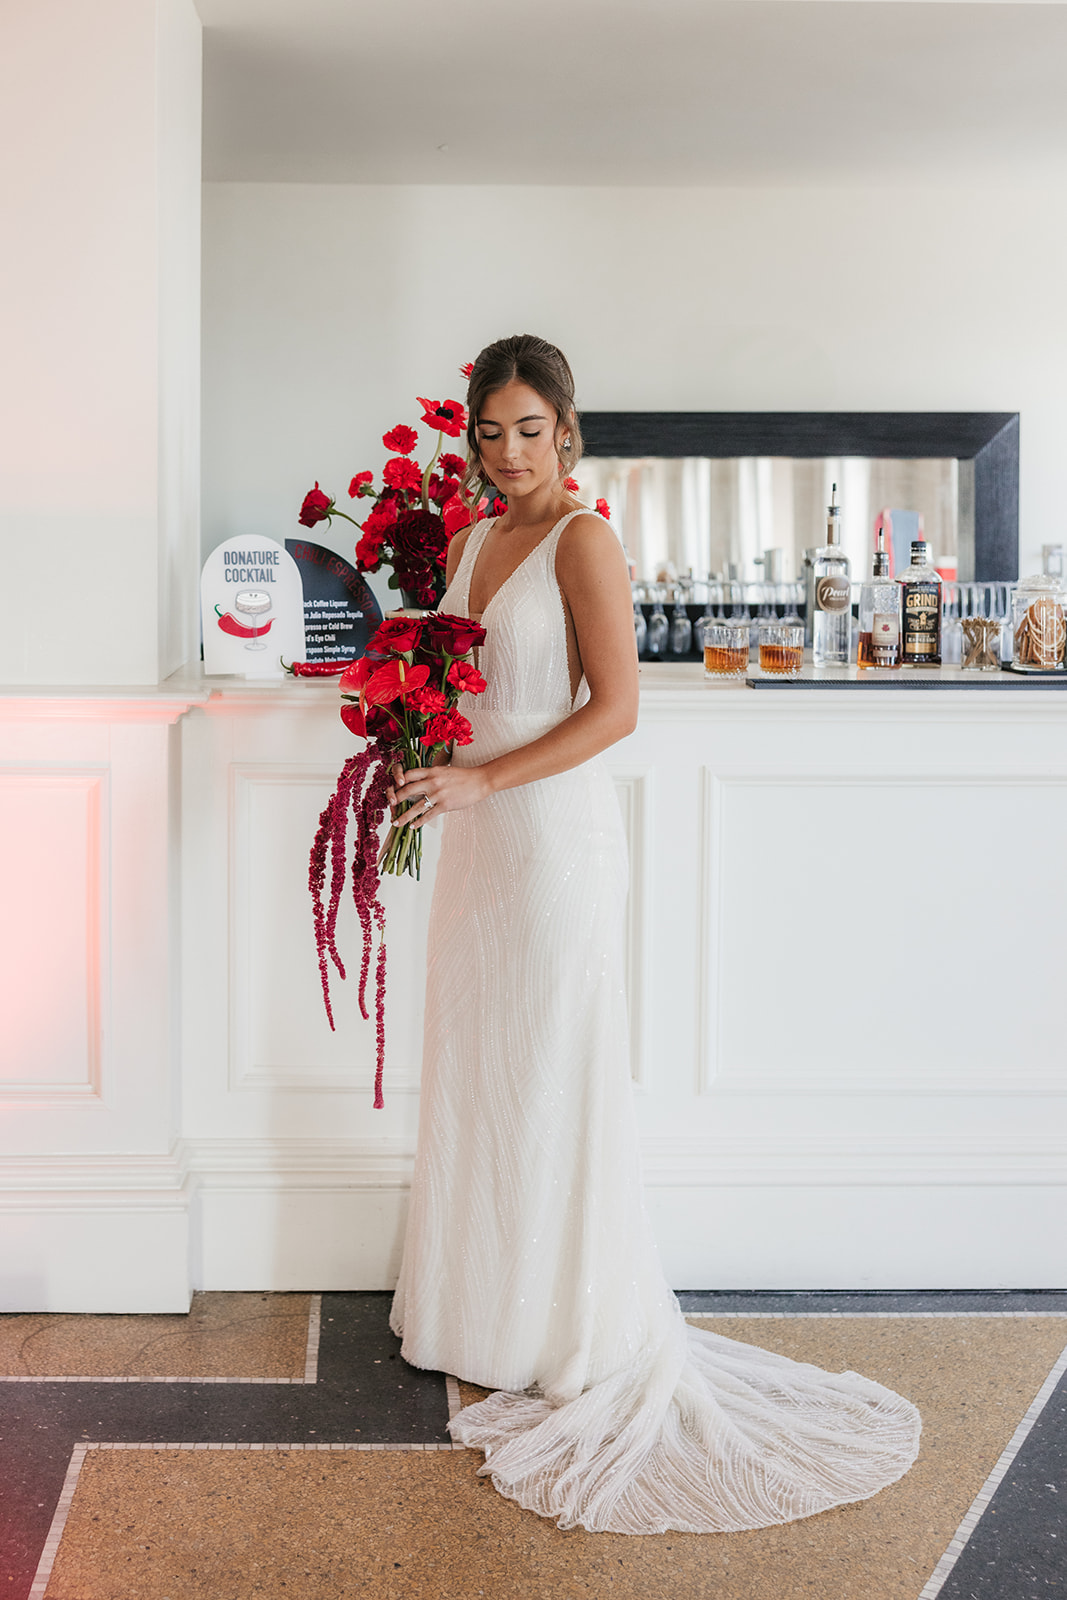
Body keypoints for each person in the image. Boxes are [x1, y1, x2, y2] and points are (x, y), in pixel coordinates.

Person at [387, 334, 921, 1534]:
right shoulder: (470, 543)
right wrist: (411, 734)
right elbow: (453, 681)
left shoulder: (584, 539)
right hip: (472, 844)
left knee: (551, 1071)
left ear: (566, 431)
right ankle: (477, 1313)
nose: (509, 451)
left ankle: (560, 1321)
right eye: (490, 431)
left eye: (530, 430)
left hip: (547, 841)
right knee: (482, 1069)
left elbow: (615, 709)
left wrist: (482, 782)